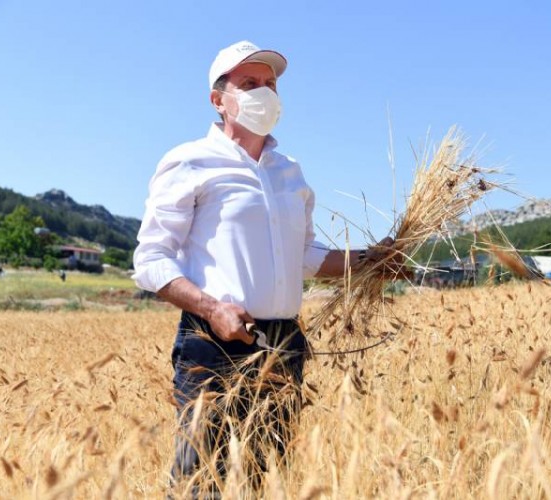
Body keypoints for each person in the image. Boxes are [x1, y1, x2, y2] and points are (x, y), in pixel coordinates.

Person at [132, 40, 396, 494]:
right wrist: (213, 309)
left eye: (270, 83)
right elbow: (150, 260)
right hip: (212, 344)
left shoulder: (288, 171)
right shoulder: (188, 160)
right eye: (249, 83)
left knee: (260, 483)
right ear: (218, 100)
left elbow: (306, 257)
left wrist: (369, 261)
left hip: (282, 345)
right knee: (203, 483)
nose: (265, 92)